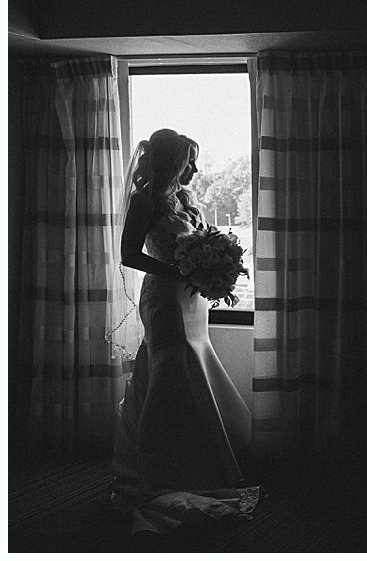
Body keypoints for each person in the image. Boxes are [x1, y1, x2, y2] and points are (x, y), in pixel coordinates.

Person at [110, 128, 257, 541]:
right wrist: (181, 270)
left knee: (194, 362)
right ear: (172, 162)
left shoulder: (184, 200)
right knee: (172, 368)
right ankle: (166, 466)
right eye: (188, 161)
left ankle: (203, 454)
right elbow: (128, 254)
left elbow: (201, 241)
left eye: (195, 160)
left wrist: (214, 266)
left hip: (191, 300)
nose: (194, 168)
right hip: (165, 299)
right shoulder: (145, 201)